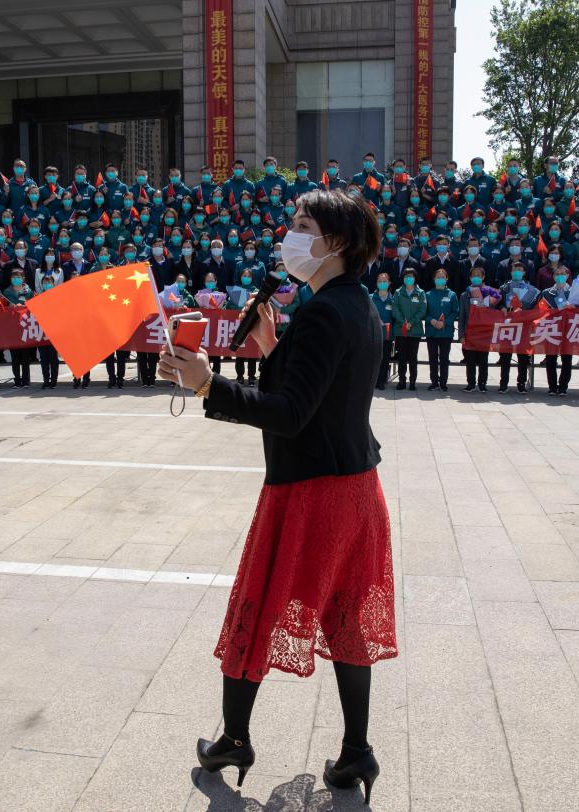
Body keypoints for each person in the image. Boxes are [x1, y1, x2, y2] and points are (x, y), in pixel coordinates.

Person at [157, 189, 394, 805]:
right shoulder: (358, 305)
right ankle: (356, 753)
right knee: (346, 620)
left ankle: (235, 738)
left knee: (259, 607)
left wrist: (209, 383)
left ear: (335, 243)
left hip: (309, 492)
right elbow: (329, 392)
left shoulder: (321, 312)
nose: (288, 235)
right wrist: (270, 348)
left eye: (301, 225)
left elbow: (290, 415)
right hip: (356, 489)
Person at [497, 262, 540, 393]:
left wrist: (524, 310)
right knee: (505, 356)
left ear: (524, 272)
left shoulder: (531, 289)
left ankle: (521, 383)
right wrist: (502, 307)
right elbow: (498, 302)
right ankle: (503, 384)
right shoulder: (504, 287)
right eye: (515, 269)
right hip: (508, 324)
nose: (517, 271)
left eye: (520, 269)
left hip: (523, 325)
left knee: (522, 356)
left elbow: (534, 307)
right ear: (511, 271)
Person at [460, 267, 499, 392]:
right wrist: (461, 334)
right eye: (473, 275)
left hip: (484, 331)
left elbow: (495, 308)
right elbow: (462, 316)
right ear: (470, 278)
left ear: (483, 277)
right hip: (470, 331)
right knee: (470, 360)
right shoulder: (465, 295)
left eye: (479, 275)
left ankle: (482, 383)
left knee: (483, 360)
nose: (476, 277)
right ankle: (471, 383)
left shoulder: (490, 293)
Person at [390, 266, 426, 389]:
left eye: (410, 276)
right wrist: (402, 322)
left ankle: (412, 382)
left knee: (412, 357)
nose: (408, 278)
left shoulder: (420, 293)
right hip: (401, 330)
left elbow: (422, 309)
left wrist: (412, 322)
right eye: (406, 276)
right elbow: (394, 308)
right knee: (402, 357)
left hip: (415, 330)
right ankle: (401, 381)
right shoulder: (398, 292)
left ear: (415, 278)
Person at [424, 266, 460, 391]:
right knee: (432, 358)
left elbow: (456, 311)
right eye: (438, 277)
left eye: (442, 277)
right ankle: (434, 381)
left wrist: (445, 322)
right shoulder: (428, 294)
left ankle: (443, 382)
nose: (440, 279)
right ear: (434, 279)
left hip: (446, 332)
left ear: (447, 279)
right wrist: (432, 321)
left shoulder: (452, 295)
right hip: (432, 331)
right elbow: (424, 312)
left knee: (444, 359)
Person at [540, 265, 573, 395]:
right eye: (557, 274)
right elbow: (541, 310)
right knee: (551, 358)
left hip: (568, 329)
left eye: (562, 274)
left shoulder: (574, 292)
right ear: (553, 277)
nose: (560, 276)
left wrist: (573, 307)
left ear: (567, 275)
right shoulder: (546, 292)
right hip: (552, 328)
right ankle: (552, 387)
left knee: (567, 358)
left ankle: (563, 386)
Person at [4, 270, 34, 387]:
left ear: (23, 278)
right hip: (12, 328)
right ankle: (17, 379)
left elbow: (34, 304)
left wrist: (25, 306)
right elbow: (1, 307)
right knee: (15, 357)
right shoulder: (6, 292)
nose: (16, 279)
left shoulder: (29, 291)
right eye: (14, 277)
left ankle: (26, 380)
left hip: (25, 327)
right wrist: (9, 307)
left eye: (18, 277)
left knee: (25, 356)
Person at [369, 271, 394, 388]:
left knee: (385, 359)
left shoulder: (394, 299)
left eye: (384, 281)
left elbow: (396, 316)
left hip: (388, 334)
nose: (382, 283)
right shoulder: (370, 298)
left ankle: (382, 381)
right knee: (374, 359)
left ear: (389, 283)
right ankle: (373, 381)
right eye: (380, 281)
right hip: (374, 334)